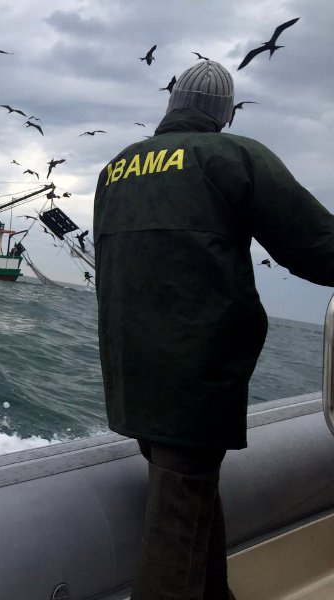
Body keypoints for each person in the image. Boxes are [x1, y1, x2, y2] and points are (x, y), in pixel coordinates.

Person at [92, 60, 334, 599]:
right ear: (223, 112)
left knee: (188, 487)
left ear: (172, 102)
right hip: (194, 372)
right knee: (176, 522)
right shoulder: (234, 157)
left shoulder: (116, 168)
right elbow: (316, 247)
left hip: (130, 370)